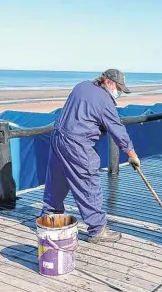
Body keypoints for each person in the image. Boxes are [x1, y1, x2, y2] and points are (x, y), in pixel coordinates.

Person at [42, 69, 140, 243]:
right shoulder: (104, 101)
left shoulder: (81, 86)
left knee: (57, 178)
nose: (118, 93)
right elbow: (117, 129)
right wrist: (131, 153)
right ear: (108, 82)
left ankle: (49, 218)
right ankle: (97, 229)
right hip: (78, 143)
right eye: (118, 88)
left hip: (58, 137)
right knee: (89, 181)